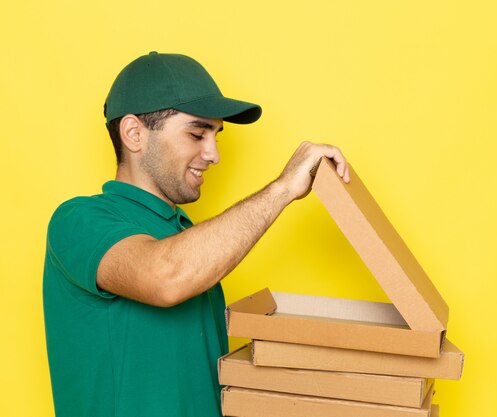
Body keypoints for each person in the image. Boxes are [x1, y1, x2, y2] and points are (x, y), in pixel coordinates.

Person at [43, 51, 350, 417]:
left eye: (217, 135)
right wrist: (282, 189)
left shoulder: (187, 235)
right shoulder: (79, 220)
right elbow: (165, 276)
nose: (214, 153)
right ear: (134, 134)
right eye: (197, 133)